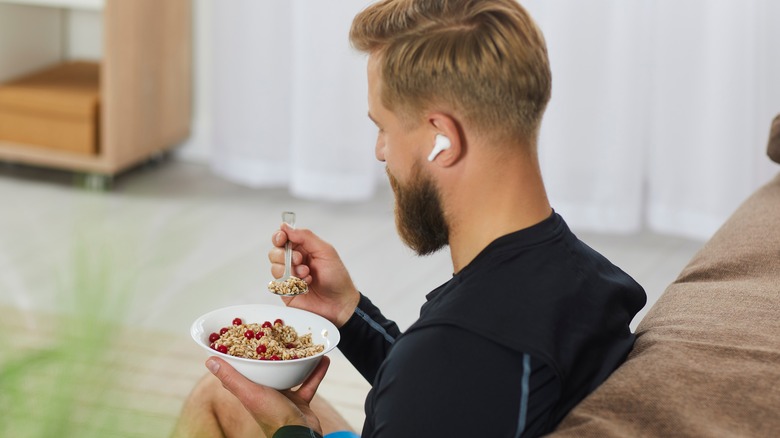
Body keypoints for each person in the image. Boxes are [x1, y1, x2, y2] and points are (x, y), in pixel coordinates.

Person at [173, 0, 647, 437]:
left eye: (383, 127)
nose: (380, 152)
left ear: (443, 138)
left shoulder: (461, 349)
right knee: (222, 392)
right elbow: (452, 399)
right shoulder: (588, 277)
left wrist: (290, 429)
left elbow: (442, 379)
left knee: (215, 398)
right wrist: (348, 312)